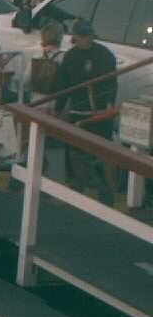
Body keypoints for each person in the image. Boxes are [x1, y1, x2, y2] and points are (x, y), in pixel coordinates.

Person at [55, 19, 119, 193]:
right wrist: (58, 108)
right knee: (76, 150)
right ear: (75, 36)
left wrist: (110, 104)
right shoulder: (70, 56)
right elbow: (64, 85)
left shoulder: (104, 54)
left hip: (100, 111)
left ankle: (112, 188)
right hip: (78, 109)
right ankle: (86, 184)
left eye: (88, 35)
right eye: (82, 36)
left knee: (106, 150)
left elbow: (112, 83)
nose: (86, 39)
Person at [28, 21, 65, 105]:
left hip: (37, 99)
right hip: (55, 99)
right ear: (59, 38)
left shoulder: (37, 55)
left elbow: (27, 79)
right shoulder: (63, 57)